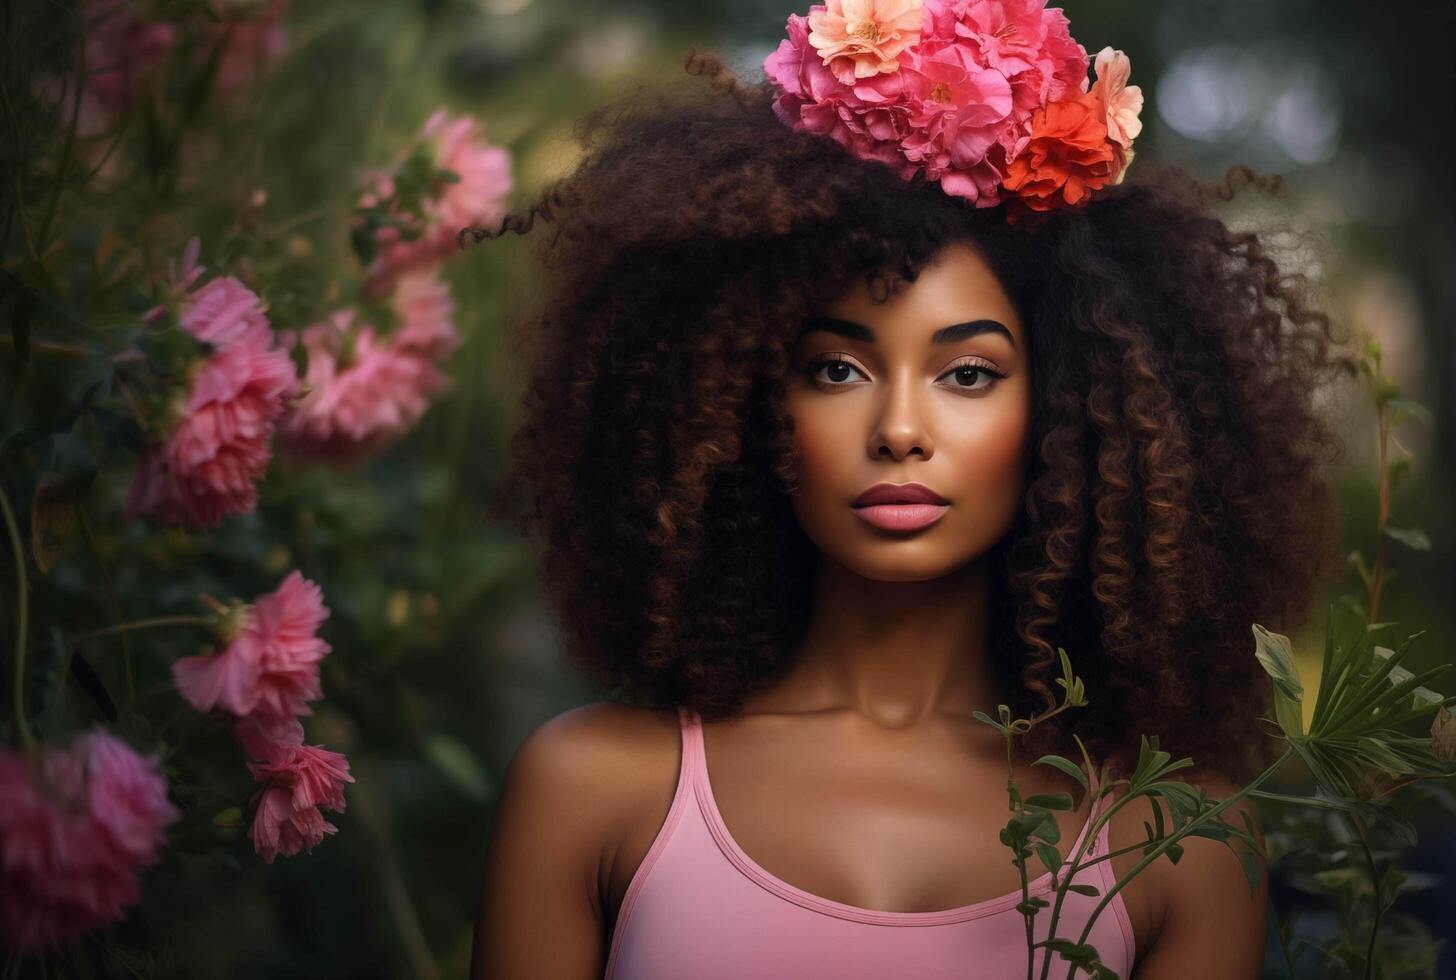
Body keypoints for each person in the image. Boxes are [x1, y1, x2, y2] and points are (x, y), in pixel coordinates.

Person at [468, 4, 1343, 976]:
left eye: (967, 374)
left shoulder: (1179, 844)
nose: (897, 429)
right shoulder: (593, 789)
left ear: (1064, 414)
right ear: (747, 402)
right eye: (837, 370)